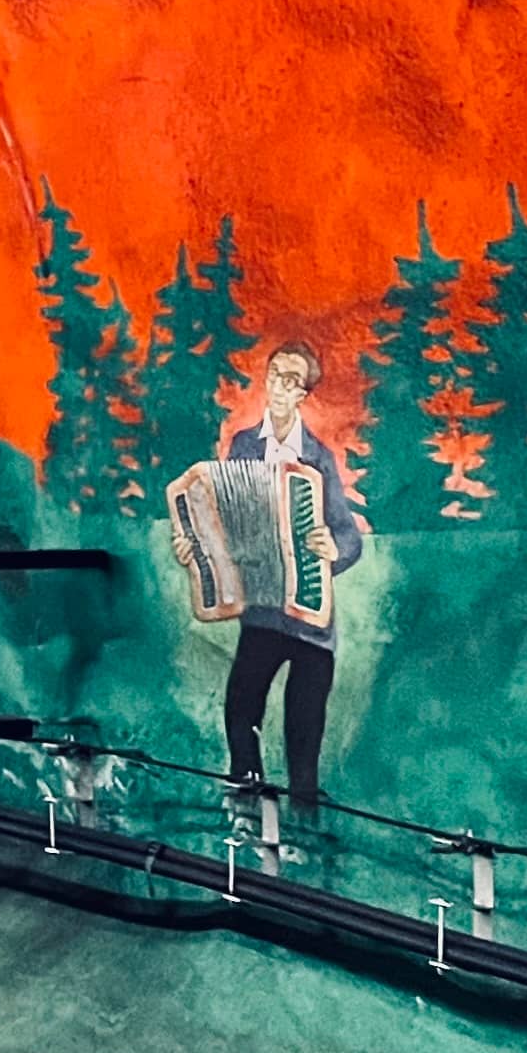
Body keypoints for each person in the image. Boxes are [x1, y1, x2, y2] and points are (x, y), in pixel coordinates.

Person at [216, 341, 367, 808]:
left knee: (304, 732)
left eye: (290, 379)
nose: (278, 386)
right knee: (242, 711)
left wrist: (331, 548)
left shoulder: (318, 457)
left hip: (310, 622)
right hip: (262, 611)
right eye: (274, 373)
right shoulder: (243, 445)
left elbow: (349, 536)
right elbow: (226, 513)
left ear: (303, 394)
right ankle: (248, 806)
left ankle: (304, 830)